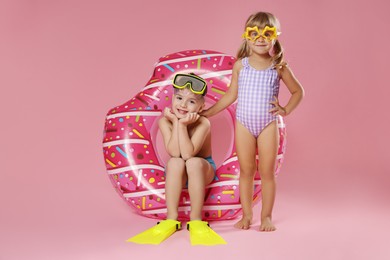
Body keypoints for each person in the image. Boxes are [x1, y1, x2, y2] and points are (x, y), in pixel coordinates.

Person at [202, 11, 304, 231]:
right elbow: (231, 95)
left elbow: (298, 91)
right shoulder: (241, 65)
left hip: (268, 125)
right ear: (246, 36)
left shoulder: (279, 67)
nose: (260, 38)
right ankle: (247, 215)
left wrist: (285, 109)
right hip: (244, 124)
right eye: (254, 33)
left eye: (267, 33)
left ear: (275, 36)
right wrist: (209, 112)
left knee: (267, 172)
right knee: (246, 171)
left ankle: (266, 216)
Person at [127, 73, 226, 246]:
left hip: (202, 169)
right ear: (172, 98)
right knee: (174, 162)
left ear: (201, 107)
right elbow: (175, 153)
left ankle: (196, 218)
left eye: (191, 101)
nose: (183, 104)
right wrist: (177, 123)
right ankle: (171, 217)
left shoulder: (203, 123)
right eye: (179, 98)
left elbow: (189, 154)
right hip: (179, 172)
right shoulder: (165, 122)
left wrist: (182, 124)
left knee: (192, 162)